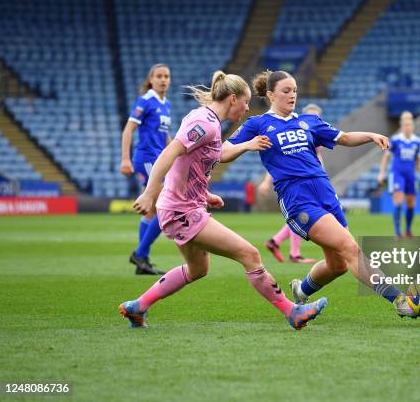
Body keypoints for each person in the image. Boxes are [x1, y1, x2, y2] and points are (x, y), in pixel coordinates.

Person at [118, 71, 327, 330]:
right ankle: (292, 312)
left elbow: (193, 161)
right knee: (249, 254)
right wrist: (150, 192)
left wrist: (205, 194)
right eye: (245, 101)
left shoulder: (208, 121)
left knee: (198, 269)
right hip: (182, 210)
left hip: (183, 206)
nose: (247, 108)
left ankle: (137, 307)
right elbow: (171, 152)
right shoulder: (205, 123)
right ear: (231, 99)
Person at [222, 70, 417, 318]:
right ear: (271, 94)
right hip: (298, 198)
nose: (292, 95)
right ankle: (400, 301)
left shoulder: (309, 121)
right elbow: (222, 153)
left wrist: (370, 135)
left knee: (337, 265)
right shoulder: (257, 124)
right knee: (349, 247)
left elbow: (344, 138)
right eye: (286, 91)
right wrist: (247, 145)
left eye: (294, 90)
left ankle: (301, 291)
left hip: (326, 193)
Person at [120, 63, 172, 275]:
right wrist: (125, 158)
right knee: (166, 206)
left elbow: (166, 136)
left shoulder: (165, 103)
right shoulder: (146, 101)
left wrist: (176, 154)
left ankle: (143, 261)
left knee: (152, 210)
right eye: (159, 76)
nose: (163, 80)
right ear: (151, 79)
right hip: (147, 158)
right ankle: (140, 254)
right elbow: (128, 129)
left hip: (160, 159)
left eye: (166, 76)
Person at [259, 103, 324, 264]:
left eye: (317, 116)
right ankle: (294, 254)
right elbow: (281, 161)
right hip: (297, 181)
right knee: (302, 214)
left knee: (304, 214)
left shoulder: (314, 133)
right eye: (312, 115)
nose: (314, 119)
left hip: (312, 180)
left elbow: (316, 157)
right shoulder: (296, 133)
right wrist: (266, 182)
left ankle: (275, 241)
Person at [377, 111, 420, 238]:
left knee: (411, 203)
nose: (407, 127)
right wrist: (382, 173)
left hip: (411, 176)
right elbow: (386, 157)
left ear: (412, 126)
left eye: (409, 125)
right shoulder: (395, 141)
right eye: (405, 125)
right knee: (398, 201)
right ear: (402, 126)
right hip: (397, 174)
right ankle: (397, 231)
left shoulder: (418, 142)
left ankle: (408, 230)